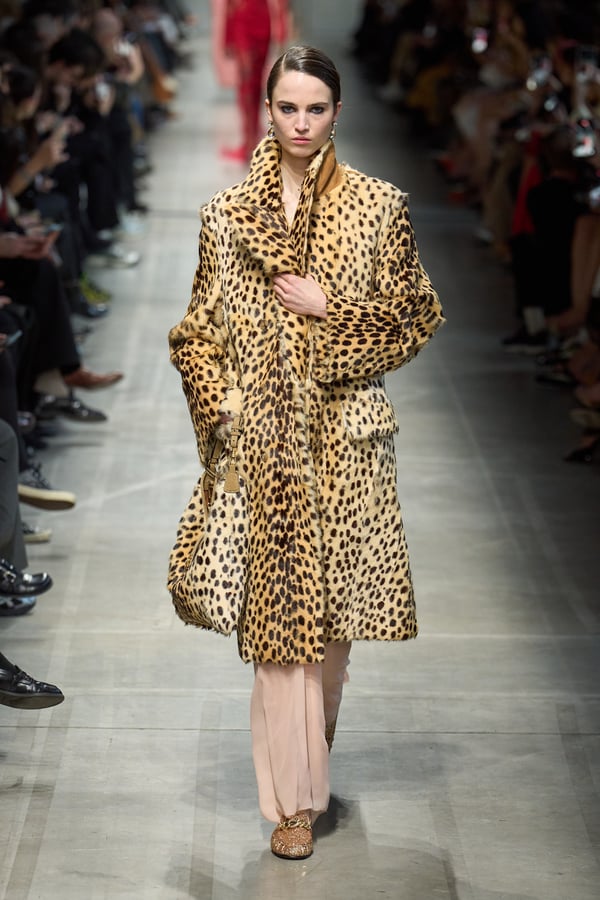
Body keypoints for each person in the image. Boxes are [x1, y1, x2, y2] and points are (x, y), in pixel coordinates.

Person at [168, 46, 444, 860]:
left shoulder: (378, 206)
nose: (299, 123)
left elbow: (416, 317)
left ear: (336, 113)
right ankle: (292, 802)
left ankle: (312, 752)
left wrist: (333, 312)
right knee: (280, 633)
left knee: (330, 641)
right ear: (267, 109)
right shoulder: (226, 216)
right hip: (266, 450)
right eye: (287, 107)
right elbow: (195, 336)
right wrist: (226, 411)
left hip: (348, 447)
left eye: (314, 108)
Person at [211, 0, 289, 162]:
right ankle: (250, 143)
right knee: (248, 87)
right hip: (248, 25)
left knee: (252, 87)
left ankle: (250, 144)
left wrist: (227, 38)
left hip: (255, 23)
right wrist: (228, 37)